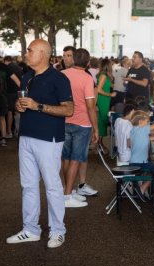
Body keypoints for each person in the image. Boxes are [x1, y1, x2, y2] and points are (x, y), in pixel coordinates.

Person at [6, 39, 73, 248]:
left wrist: (38, 106)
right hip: (26, 136)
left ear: (43, 53)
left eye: (30, 50)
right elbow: (24, 104)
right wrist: (19, 105)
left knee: (52, 186)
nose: (26, 53)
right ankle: (30, 229)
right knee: (28, 186)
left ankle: (58, 231)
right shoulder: (27, 77)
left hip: (48, 139)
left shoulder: (59, 78)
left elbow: (69, 109)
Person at [62, 48, 99, 208]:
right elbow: (91, 106)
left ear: (73, 59)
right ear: (88, 63)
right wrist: (96, 128)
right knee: (76, 159)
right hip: (82, 123)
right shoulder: (87, 78)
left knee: (65, 158)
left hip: (62, 120)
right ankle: (67, 195)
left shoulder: (62, 74)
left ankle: (67, 190)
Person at [129, 110, 154, 200]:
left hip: (135, 162)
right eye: (147, 121)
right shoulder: (142, 129)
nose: (148, 123)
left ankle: (143, 189)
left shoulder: (135, 130)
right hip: (139, 164)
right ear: (140, 122)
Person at [0, 51, 21, 147]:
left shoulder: (4, 67)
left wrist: (22, 93)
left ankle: (4, 137)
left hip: (4, 96)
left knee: (2, 116)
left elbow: (15, 79)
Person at [97, 58, 116, 155]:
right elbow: (98, 90)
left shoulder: (104, 75)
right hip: (102, 100)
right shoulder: (103, 75)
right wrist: (110, 95)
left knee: (102, 122)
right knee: (102, 122)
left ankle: (100, 144)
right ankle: (99, 145)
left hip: (104, 101)